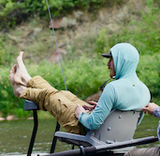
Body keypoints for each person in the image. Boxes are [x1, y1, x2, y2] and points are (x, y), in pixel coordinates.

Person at [10, 43, 150, 136]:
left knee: (50, 96)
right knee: (64, 94)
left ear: (122, 62)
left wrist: (82, 114)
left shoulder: (113, 87)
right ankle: (27, 79)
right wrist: (105, 110)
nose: (108, 64)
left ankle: (21, 91)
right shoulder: (145, 91)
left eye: (111, 60)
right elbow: (131, 122)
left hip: (88, 130)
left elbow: (94, 123)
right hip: (113, 136)